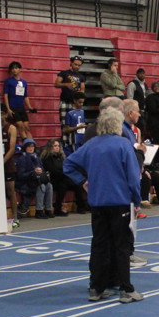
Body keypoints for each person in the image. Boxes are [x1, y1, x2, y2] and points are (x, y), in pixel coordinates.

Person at [63, 107, 143, 303]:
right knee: (121, 246)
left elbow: (68, 165)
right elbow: (133, 177)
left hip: (97, 202)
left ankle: (96, 288)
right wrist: (137, 200)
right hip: (119, 202)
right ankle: (126, 289)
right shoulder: (124, 144)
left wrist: (82, 181)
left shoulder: (91, 144)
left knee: (99, 244)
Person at [16, 138, 53, 219]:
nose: (31, 148)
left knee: (49, 185)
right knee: (41, 186)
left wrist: (41, 171)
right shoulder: (22, 159)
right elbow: (20, 175)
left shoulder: (37, 157)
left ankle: (48, 209)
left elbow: (42, 169)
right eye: (29, 146)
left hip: (36, 180)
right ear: (25, 148)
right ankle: (39, 210)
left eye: (32, 146)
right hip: (26, 183)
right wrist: (33, 172)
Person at [2, 61, 35, 140]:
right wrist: (8, 108)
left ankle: (31, 144)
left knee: (27, 127)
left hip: (21, 107)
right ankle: (26, 143)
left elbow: (25, 96)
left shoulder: (24, 82)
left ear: (20, 69)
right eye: (12, 68)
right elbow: (5, 95)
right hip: (13, 107)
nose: (14, 70)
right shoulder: (8, 81)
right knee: (20, 126)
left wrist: (29, 107)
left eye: (16, 68)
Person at [55, 55, 85, 131]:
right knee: (64, 122)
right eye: (75, 64)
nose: (77, 66)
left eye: (79, 65)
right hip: (65, 100)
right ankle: (64, 137)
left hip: (75, 102)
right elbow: (56, 84)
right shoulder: (64, 73)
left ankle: (73, 137)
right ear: (71, 63)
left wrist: (80, 94)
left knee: (75, 122)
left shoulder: (81, 76)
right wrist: (66, 84)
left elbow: (82, 89)